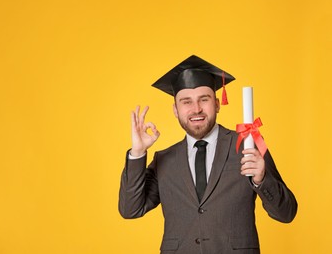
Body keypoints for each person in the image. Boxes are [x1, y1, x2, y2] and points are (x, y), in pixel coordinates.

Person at [118, 55, 297, 254]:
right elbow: (130, 210)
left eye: (204, 99)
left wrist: (262, 180)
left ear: (217, 104)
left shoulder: (248, 144)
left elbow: (287, 213)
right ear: (175, 110)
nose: (196, 109)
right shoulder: (164, 159)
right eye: (186, 102)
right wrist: (138, 152)